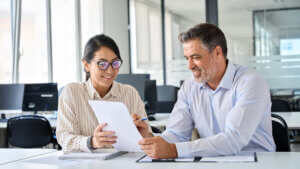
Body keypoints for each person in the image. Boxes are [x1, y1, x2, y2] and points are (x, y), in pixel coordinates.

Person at [134, 23, 276, 159]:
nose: (190, 66)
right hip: (214, 160)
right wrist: (150, 141)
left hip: (258, 160)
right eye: (187, 58)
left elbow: (234, 139)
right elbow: (176, 133)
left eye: (196, 57)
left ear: (217, 53)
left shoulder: (250, 83)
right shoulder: (190, 87)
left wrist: (173, 150)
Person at [56, 34, 151, 153]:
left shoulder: (130, 93)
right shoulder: (72, 92)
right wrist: (92, 142)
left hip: (125, 162)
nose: (110, 70)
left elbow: (148, 139)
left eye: (115, 63)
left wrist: (144, 135)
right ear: (86, 65)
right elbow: (64, 139)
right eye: (102, 64)